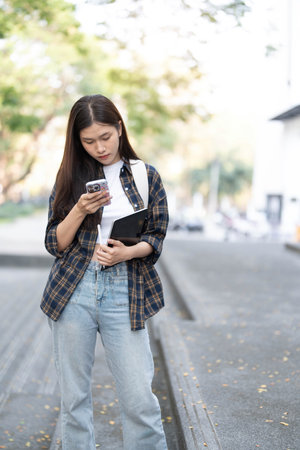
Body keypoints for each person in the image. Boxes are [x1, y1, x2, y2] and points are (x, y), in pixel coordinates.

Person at [41, 94, 169, 450]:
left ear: (119, 128)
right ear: (77, 140)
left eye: (105, 137)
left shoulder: (146, 175)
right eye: (89, 141)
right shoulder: (70, 176)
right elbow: (54, 243)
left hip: (124, 290)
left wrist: (127, 251)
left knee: (139, 399)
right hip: (73, 291)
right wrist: (80, 209)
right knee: (74, 401)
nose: (99, 147)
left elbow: (156, 238)